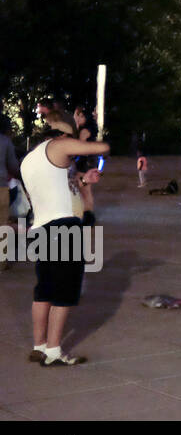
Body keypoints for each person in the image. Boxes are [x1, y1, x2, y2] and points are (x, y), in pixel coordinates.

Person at [20, 127, 109, 366]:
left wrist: (83, 180)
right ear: (58, 138)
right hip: (63, 229)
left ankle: (39, 346)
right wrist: (82, 140)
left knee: (44, 291)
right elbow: (102, 148)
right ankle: (53, 352)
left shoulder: (30, 161)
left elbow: (59, 187)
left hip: (41, 229)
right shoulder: (57, 146)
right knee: (65, 292)